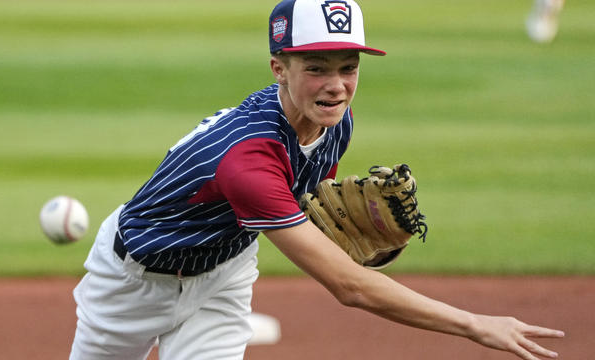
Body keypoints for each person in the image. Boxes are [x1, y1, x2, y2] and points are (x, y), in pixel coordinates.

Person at [69, 0, 565, 359]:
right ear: (278, 68)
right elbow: (351, 288)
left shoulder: (336, 122)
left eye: (348, 68)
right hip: (135, 281)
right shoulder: (247, 159)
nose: (336, 85)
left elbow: (304, 202)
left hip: (223, 273)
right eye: (316, 68)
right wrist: (475, 324)